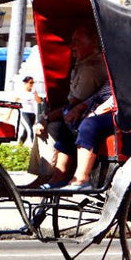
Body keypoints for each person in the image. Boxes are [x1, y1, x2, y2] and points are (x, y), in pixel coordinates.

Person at [33, 23, 109, 167]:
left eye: (77, 42)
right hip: (83, 111)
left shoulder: (90, 69)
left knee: (53, 127)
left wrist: (46, 118)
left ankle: (51, 176)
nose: (72, 46)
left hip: (85, 115)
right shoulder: (84, 64)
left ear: (92, 43)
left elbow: (75, 104)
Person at [16, 76, 42, 144]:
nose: (32, 84)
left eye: (33, 83)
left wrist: (35, 94)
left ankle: (19, 146)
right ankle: (32, 147)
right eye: (30, 83)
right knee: (30, 130)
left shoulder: (33, 92)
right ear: (26, 83)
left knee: (25, 132)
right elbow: (15, 102)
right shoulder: (21, 92)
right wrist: (9, 114)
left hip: (32, 113)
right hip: (24, 113)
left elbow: (39, 101)